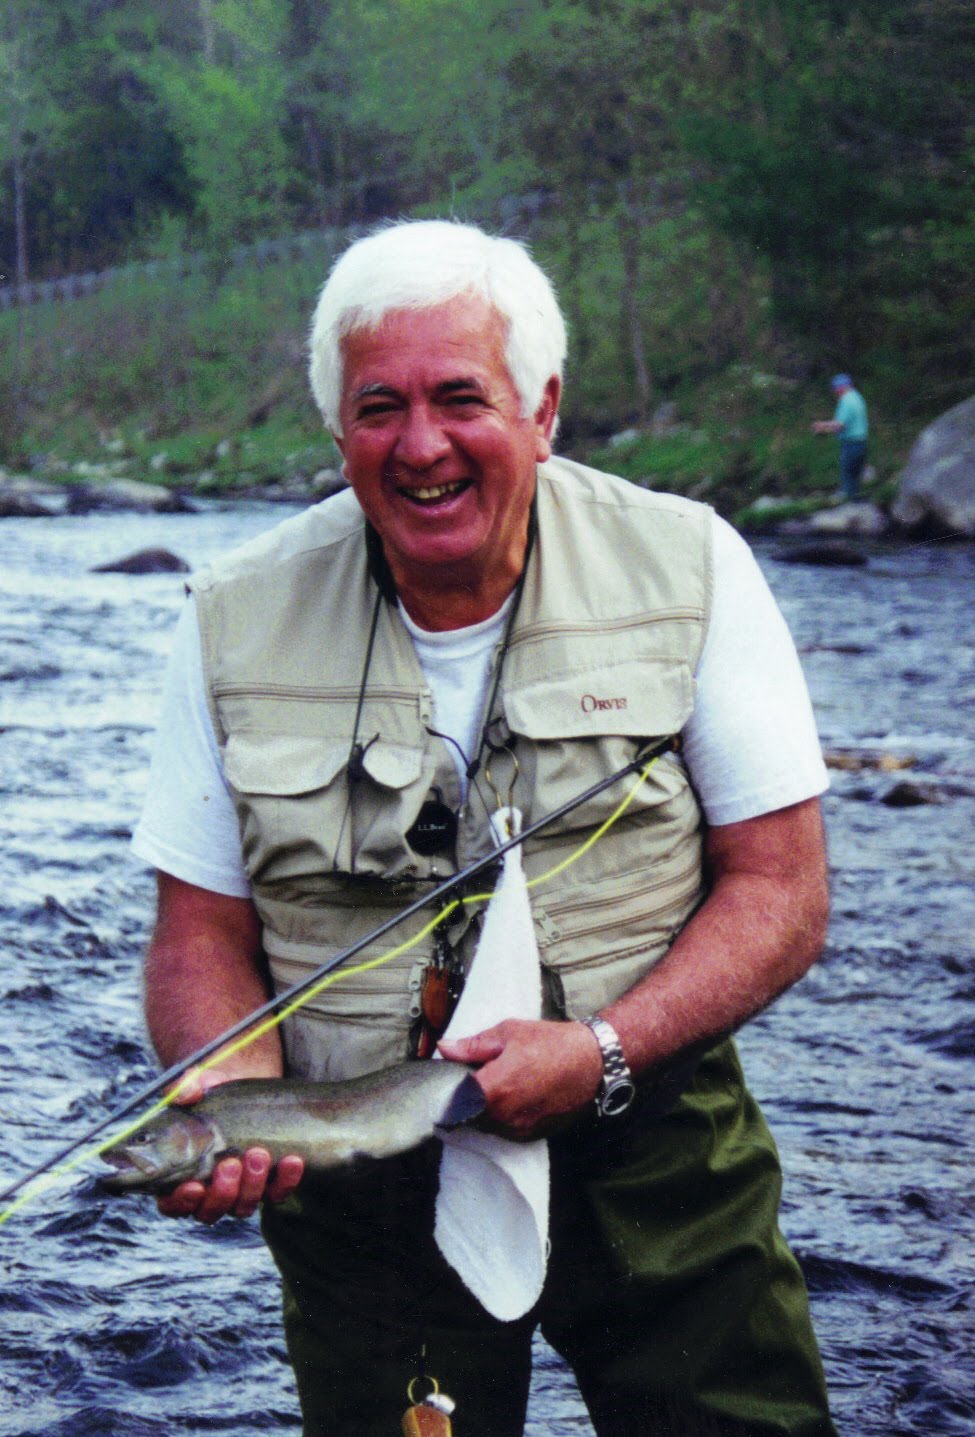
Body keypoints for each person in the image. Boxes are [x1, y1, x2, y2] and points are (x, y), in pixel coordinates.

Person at [132, 219, 837, 1436]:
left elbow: (781, 890)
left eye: (462, 398)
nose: (420, 446)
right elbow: (198, 936)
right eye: (377, 408)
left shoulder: (694, 568)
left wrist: (608, 1048)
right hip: (360, 1185)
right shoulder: (226, 620)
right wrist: (232, 1087)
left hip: (656, 1138)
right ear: (336, 428)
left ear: (544, 407)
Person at [812, 373, 869, 500]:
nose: (835, 392)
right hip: (862, 442)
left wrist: (821, 426)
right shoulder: (857, 397)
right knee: (855, 477)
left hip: (851, 444)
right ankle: (858, 506)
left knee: (848, 476)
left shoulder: (846, 400)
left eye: (836, 388)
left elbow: (839, 425)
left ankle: (849, 507)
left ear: (841, 387)